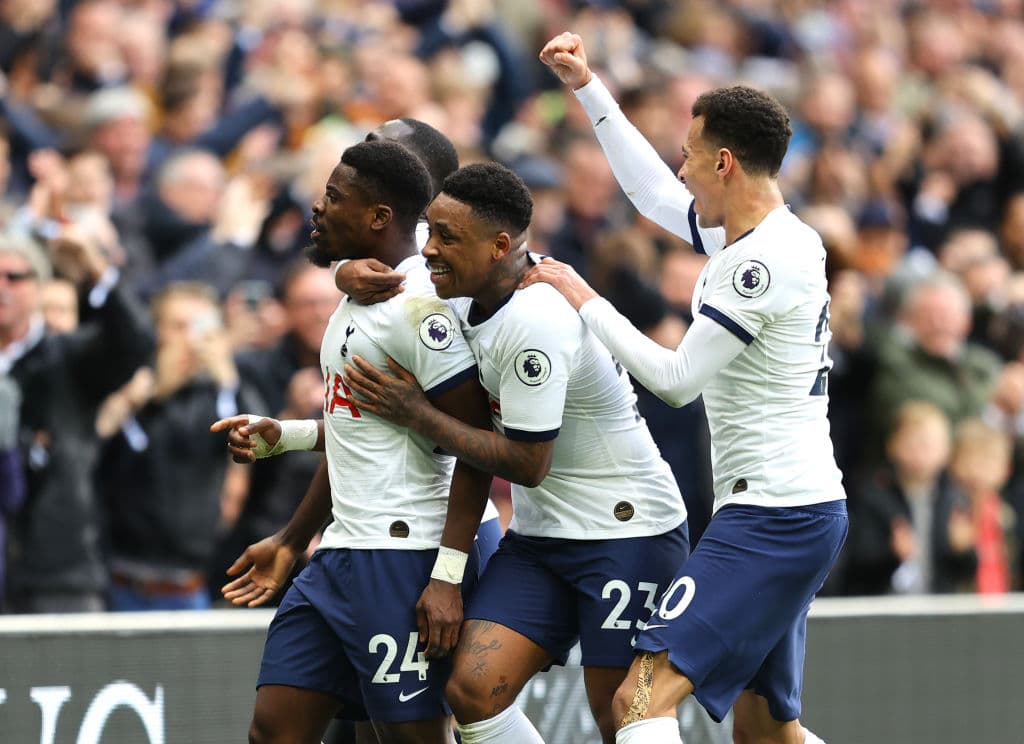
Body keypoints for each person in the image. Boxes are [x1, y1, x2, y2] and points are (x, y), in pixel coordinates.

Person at [522, 32, 848, 744]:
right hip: (797, 509)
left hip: (773, 517)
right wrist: (588, 87)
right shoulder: (773, 239)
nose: (683, 167)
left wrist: (583, 297)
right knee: (767, 732)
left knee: (641, 699)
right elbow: (648, 193)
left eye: (691, 154)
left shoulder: (754, 264)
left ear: (724, 163)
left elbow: (674, 382)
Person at [340, 161, 690, 744]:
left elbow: (529, 463)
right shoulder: (459, 290)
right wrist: (346, 273)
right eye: (429, 231)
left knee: (622, 716)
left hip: (626, 534)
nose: (429, 250)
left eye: (447, 237)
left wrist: (418, 413)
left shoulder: (537, 319)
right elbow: (389, 278)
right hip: (542, 537)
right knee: (473, 693)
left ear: (500, 245)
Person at [214, 140, 493, 744]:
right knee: (274, 729)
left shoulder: (423, 310)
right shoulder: (356, 291)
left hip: (404, 557)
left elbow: (476, 442)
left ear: (379, 218)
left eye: (333, 196)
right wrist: (281, 438)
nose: (318, 207)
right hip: (339, 553)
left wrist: (446, 575)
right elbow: (363, 428)